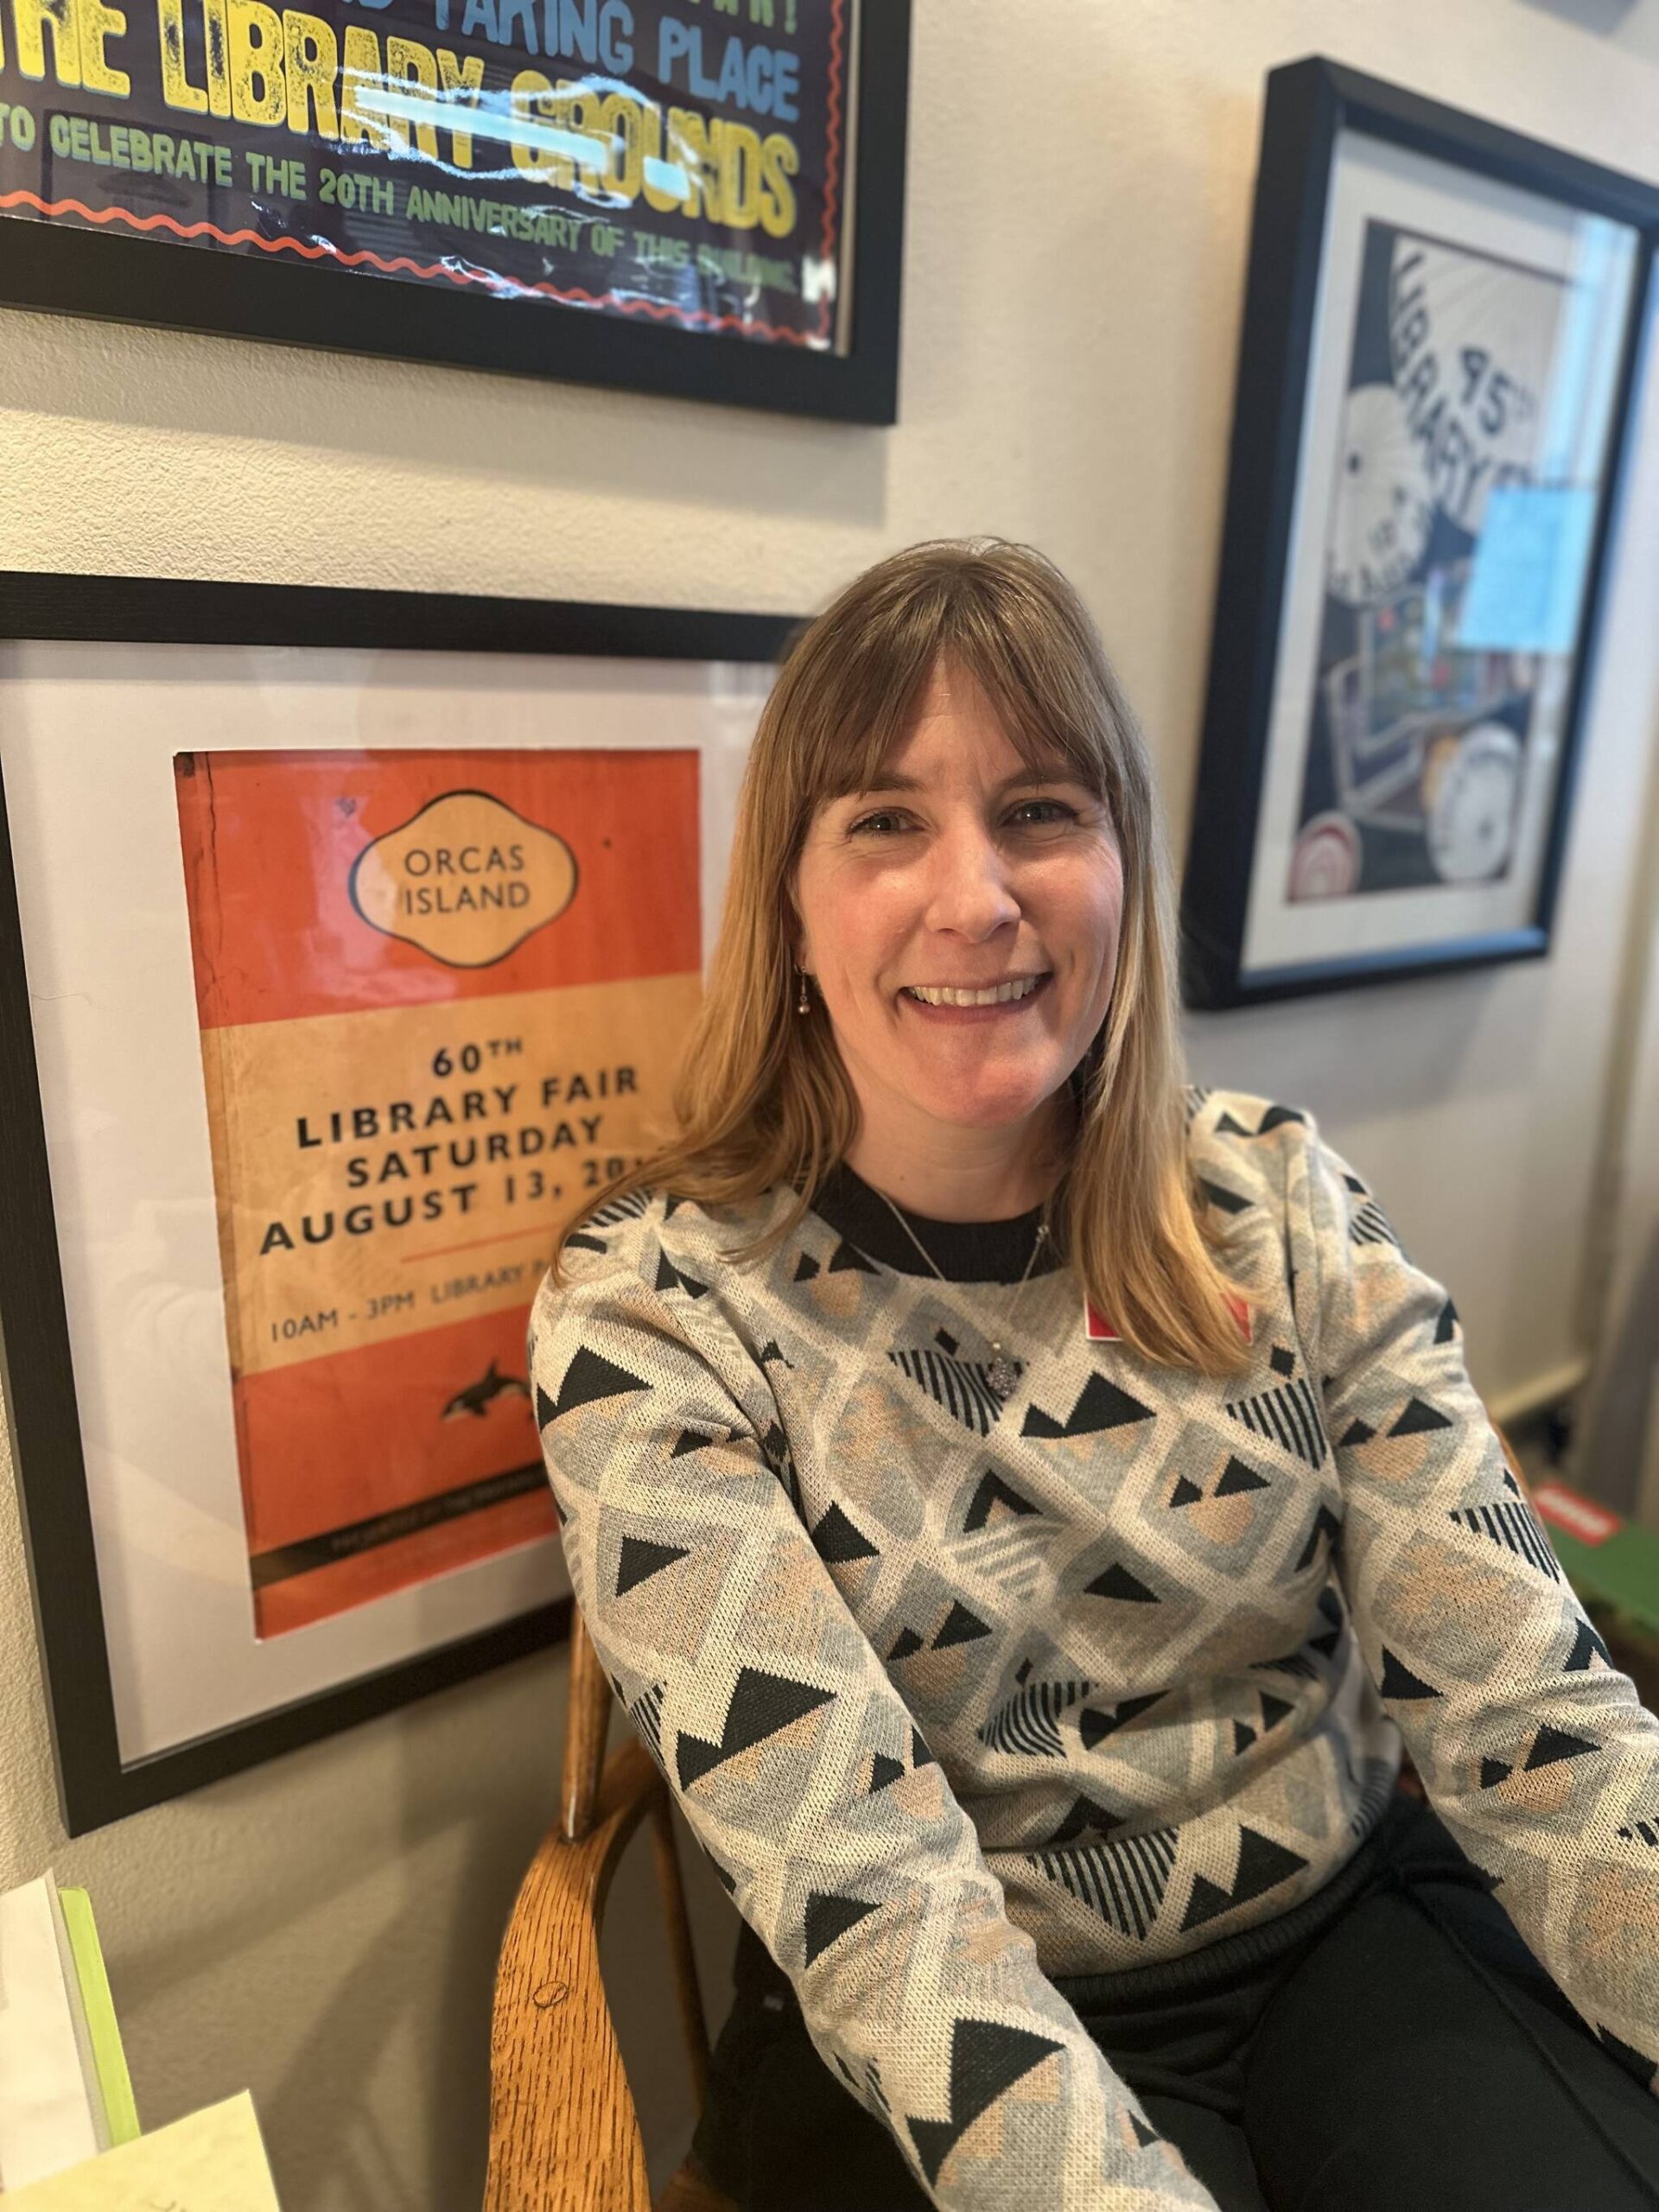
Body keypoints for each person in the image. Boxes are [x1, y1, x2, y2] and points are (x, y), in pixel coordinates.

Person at [528, 540, 1659, 2211]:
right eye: (886, 821)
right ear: (790, 901)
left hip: (1354, 1930)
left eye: (1043, 810)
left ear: (1124, 862)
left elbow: (1533, 1719)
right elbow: (875, 1907)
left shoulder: (1279, 1210)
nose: (975, 897)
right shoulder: (655, 1316)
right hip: (944, 2019)